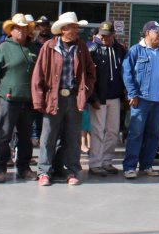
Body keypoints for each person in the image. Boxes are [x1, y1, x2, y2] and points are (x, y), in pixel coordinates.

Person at [31, 12, 96, 186]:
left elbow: (90, 72)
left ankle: (72, 171)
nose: (76, 30)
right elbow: (38, 75)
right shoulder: (49, 47)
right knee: (48, 136)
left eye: (76, 27)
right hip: (53, 98)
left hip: (74, 98)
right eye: (73, 27)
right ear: (63, 29)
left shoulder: (81, 47)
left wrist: (85, 91)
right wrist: (38, 100)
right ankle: (44, 172)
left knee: (72, 137)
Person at [0, 14, 38, 183]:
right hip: (8, 99)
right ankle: (0, 167)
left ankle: (23, 167)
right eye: (18, 28)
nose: (21, 31)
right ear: (11, 30)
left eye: (24, 28)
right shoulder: (3, 48)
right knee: (4, 135)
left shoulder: (32, 49)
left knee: (25, 137)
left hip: (28, 101)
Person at [122, 21, 159, 179]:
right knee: (136, 134)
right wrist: (132, 94)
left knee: (154, 135)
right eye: (156, 32)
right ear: (147, 33)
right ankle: (130, 167)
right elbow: (127, 73)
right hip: (141, 100)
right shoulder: (135, 51)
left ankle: (146, 165)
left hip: (158, 101)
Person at [87, 21, 126, 177]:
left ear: (113, 35)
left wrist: (124, 96)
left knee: (112, 131)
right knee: (98, 130)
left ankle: (107, 161)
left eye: (107, 36)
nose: (104, 39)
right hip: (99, 98)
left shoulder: (120, 50)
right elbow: (89, 77)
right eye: (102, 35)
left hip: (115, 97)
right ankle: (95, 163)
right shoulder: (93, 51)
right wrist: (93, 97)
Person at [31, 15, 52, 148]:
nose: (42, 28)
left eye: (44, 25)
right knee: (35, 109)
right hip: (35, 78)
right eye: (39, 25)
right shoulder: (33, 41)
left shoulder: (51, 40)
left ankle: (42, 135)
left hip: (48, 80)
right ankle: (34, 135)